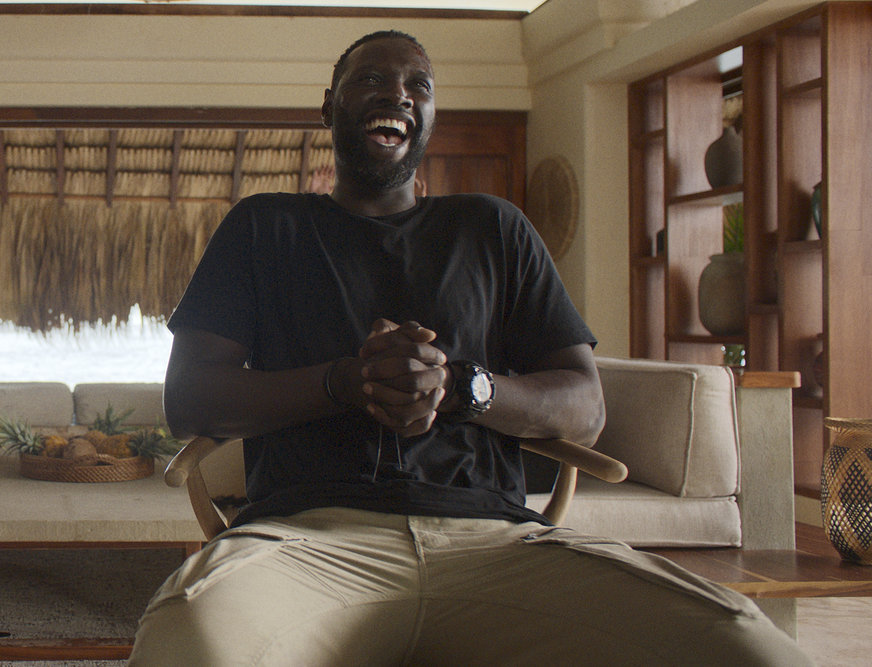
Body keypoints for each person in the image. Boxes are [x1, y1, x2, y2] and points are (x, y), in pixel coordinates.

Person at [127, 31, 811, 666]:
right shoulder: (264, 227)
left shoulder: (493, 228)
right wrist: (344, 381)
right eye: (372, 80)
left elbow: (584, 408)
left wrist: (462, 387)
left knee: (742, 641)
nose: (398, 94)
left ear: (430, 116)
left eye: (417, 86)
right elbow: (188, 399)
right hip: (305, 539)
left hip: (496, 541)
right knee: (184, 638)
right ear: (328, 107)